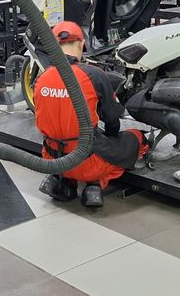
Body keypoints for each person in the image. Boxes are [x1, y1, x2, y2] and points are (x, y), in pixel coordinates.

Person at [34, 21, 148, 207]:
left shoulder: (42, 78)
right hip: (89, 162)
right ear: (81, 44)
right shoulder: (93, 74)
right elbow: (112, 119)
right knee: (137, 138)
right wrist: (112, 137)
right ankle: (94, 185)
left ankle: (64, 183)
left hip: (53, 159)